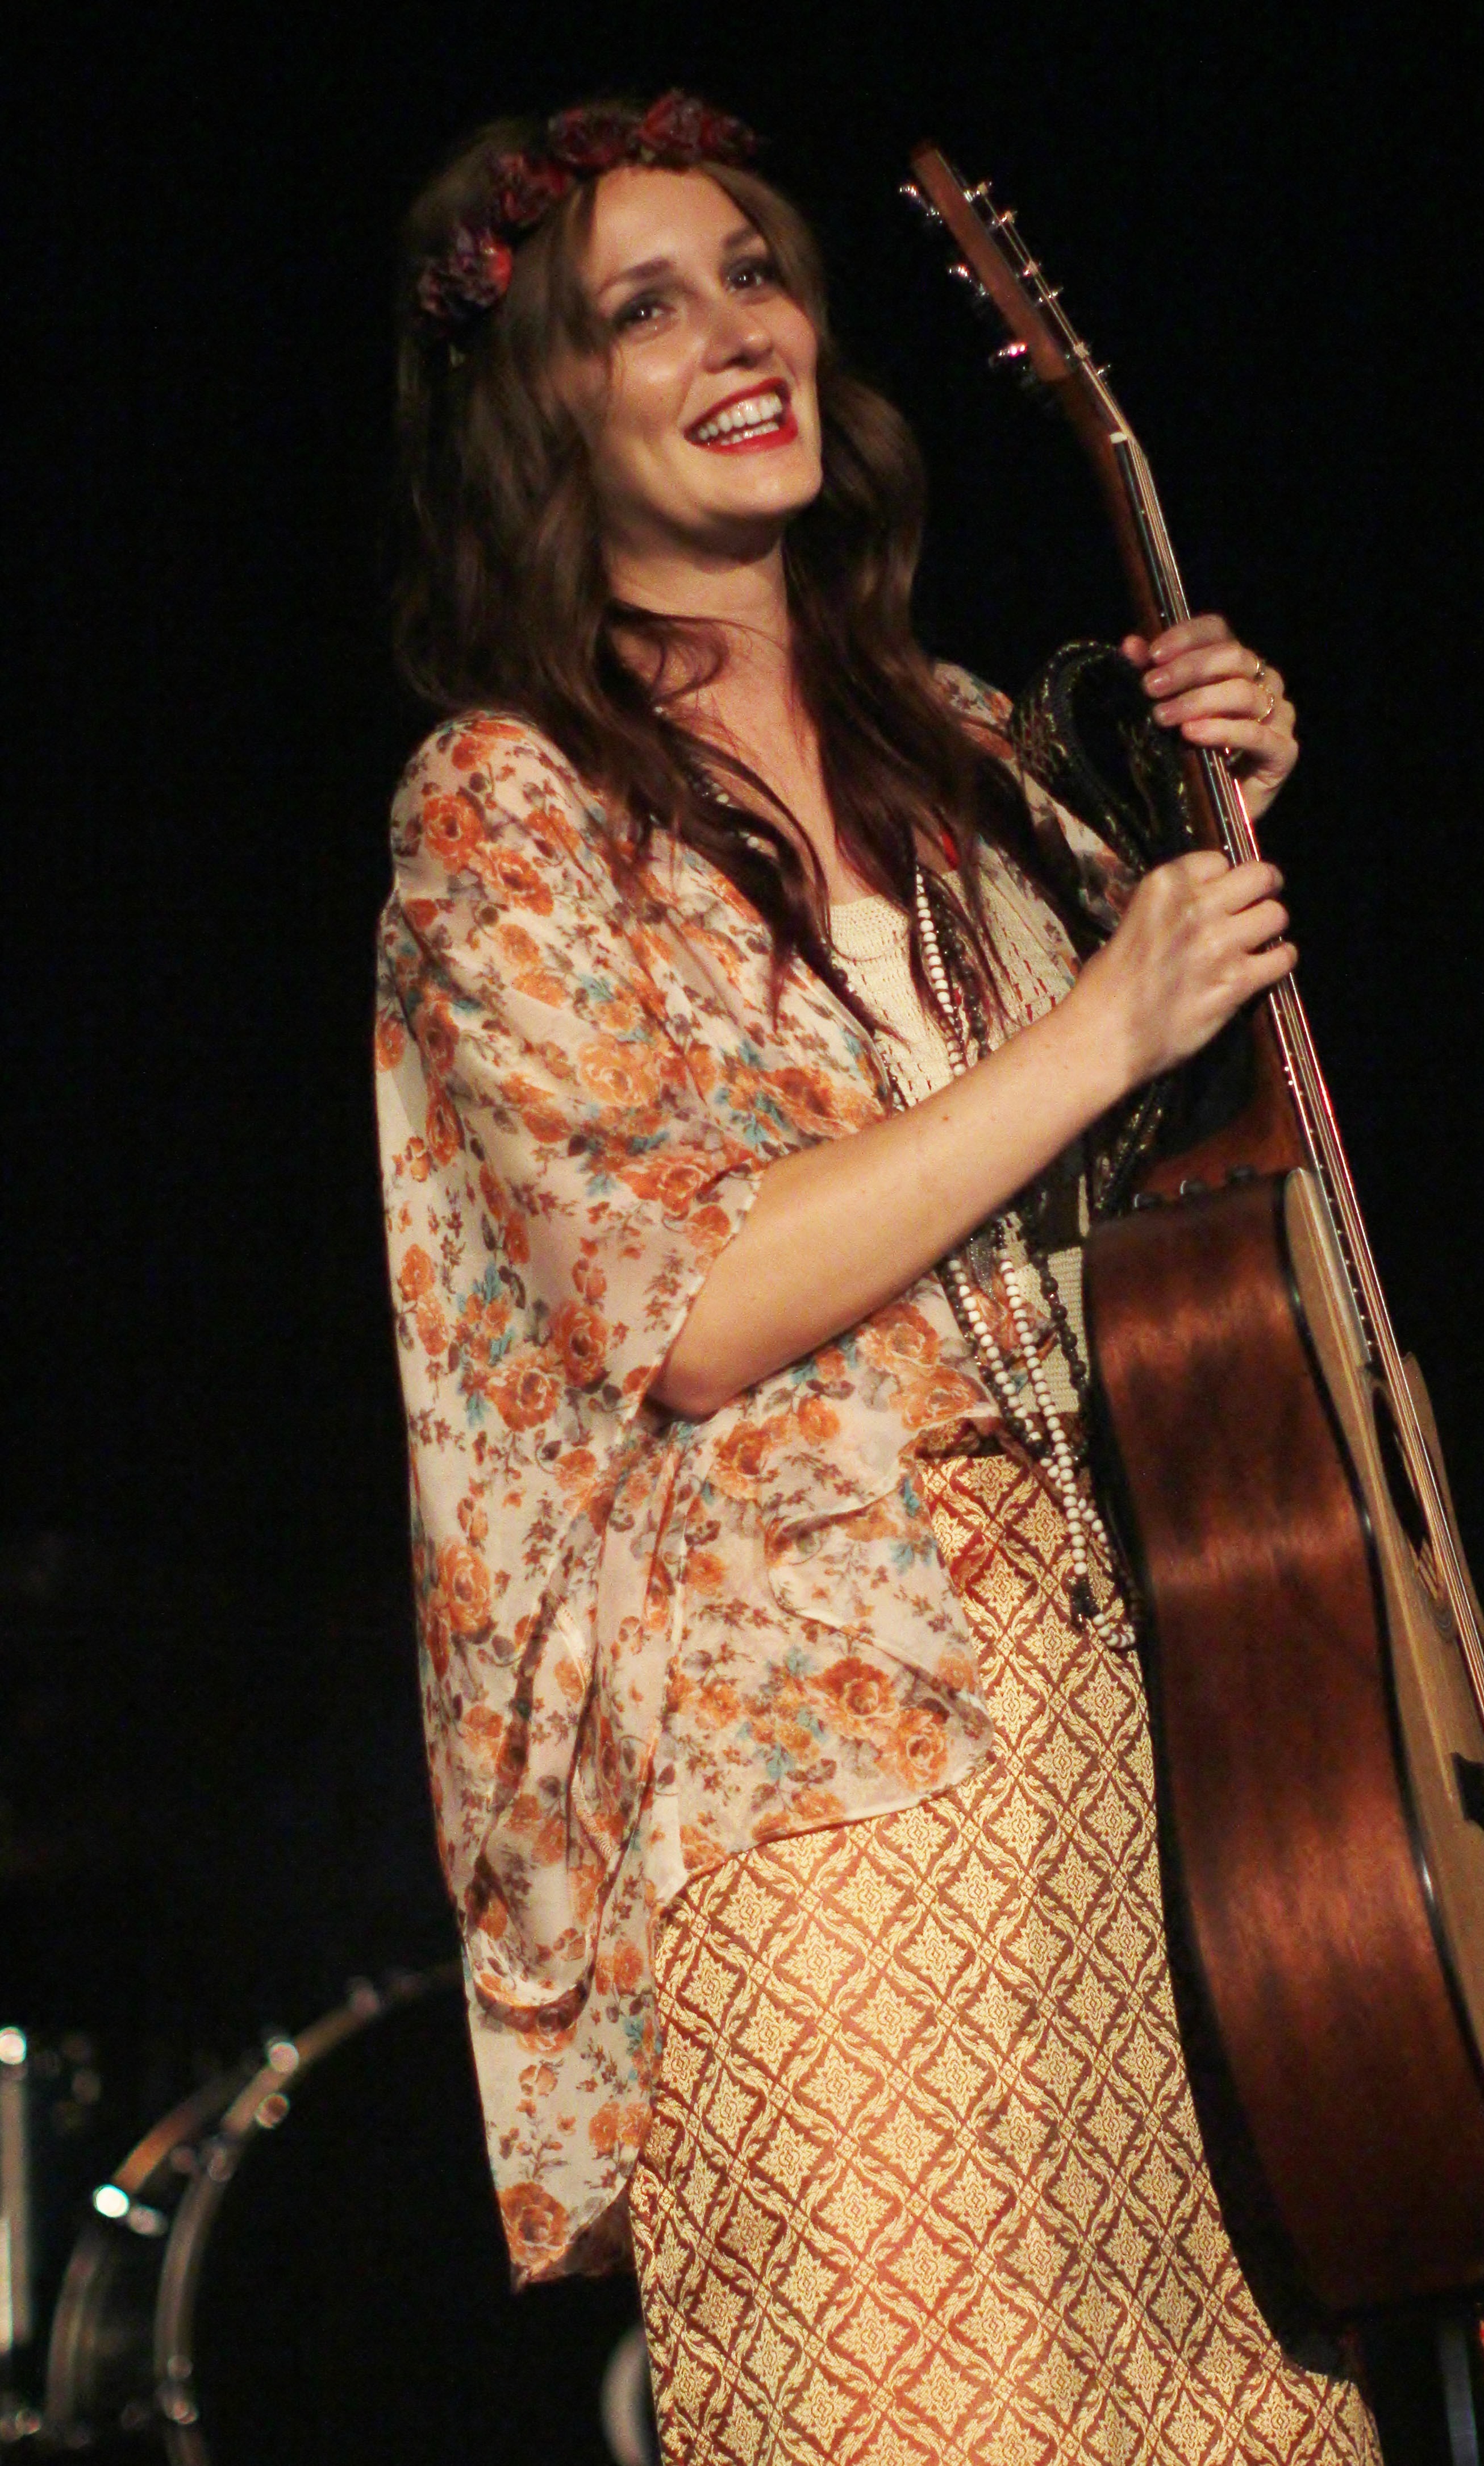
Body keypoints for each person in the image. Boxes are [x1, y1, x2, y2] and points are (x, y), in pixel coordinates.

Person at [377, 86, 1379, 2466]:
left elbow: (1161, 1211)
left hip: (1155, 1722)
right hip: (810, 1783)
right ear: (542, 412)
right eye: (647, 305)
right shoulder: (509, 805)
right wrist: (1109, 1015)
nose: (741, 330)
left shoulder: (973, 749)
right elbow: (690, 1298)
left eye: (756, 271)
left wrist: (1207, 831)